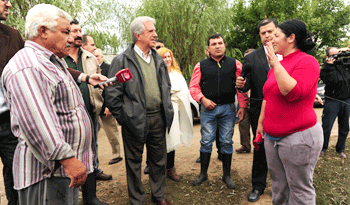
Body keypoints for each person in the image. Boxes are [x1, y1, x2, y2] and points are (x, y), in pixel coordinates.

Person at [1, 4, 93, 204]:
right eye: (65, 31)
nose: (71, 38)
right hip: (45, 174)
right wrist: (67, 159)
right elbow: (37, 122)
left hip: (58, 172)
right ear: (42, 31)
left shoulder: (50, 61)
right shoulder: (29, 66)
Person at [105, 16, 173, 205]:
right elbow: (112, 94)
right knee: (134, 163)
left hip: (158, 118)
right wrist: (125, 117)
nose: (155, 34)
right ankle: (136, 199)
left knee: (159, 161)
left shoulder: (158, 59)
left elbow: (165, 86)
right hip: (134, 120)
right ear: (138, 35)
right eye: (151, 31)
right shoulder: (122, 60)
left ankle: (159, 196)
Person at [257, 19, 322, 204]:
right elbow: (268, 96)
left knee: (299, 189)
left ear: (291, 38)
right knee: (278, 187)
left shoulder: (308, 62)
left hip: (298, 138)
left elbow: (291, 93)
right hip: (272, 138)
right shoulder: (279, 64)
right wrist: (262, 123)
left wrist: (275, 65)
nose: (271, 39)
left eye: (276, 35)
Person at [189, 33, 248, 189]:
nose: (217, 46)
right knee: (206, 141)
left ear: (224, 45)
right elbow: (193, 87)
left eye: (220, 43)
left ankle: (226, 175)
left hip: (229, 109)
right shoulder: (200, 65)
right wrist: (203, 99)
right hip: (208, 110)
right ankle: (203, 174)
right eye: (213, 44)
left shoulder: (235, 64)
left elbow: (241, 87)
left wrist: (242, 106)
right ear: (208, 48)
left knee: (226, 142)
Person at [64, 19, 110, 205]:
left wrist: (102, 103)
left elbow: (97, 83)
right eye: (74, 30)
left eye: (80, 30)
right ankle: (70, 199)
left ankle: (91, 198)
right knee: (70, 157)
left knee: (90, 153)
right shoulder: (58, 58)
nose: (78, 34)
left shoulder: (90, 57)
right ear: (65, 33)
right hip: (67, 117)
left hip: (90, 113)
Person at [236, 18, 279, 202]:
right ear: (260, 36)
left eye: (271, 31)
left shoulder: (289, 53)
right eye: (263, 33)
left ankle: (283, 186)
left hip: (286, 109)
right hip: (259, 110)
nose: (268, 35)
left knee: (285, 149)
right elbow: (245, 86)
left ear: (278, 30)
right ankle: (258, 186)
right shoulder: (251, 58)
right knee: (260, 147)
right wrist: (240, 85)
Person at [0, 0, 24, 204]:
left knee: (15, 173)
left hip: (8, 122)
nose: (8, 3)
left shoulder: (13, 35)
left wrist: (82, 77)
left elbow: (38, 63)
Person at [157, 47, 193, 182]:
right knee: (161, 140)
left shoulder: (176, 72)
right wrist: (171, 91)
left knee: (173, 138)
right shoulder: (157, 72)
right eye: (163, 57)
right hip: (162, 111)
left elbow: (183, 89)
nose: (167, 59)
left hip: (176, 109)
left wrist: (173, 91)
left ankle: (170, 168)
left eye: (168, 56)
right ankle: (158, 169)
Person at [320, 47, 350, 158]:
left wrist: (344, 51)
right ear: (327, 57)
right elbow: (332, 81)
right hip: (332, 101)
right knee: (327, 126)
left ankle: (340, 149)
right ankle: (323, 148)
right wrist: (330, 66)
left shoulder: (345, 64)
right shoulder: (325, 69)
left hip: (346, 100)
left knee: (344, 127)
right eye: (333, 55)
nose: (336, 57)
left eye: (338, 54)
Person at [94, 48, 123, 164]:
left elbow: (110, 88)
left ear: (101, 57)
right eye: (94, 56)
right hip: (94, 105)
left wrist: (108, 106)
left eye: (97, 56)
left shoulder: (108, 68)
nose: (96, 58)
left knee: (111, 132)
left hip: (105, 106)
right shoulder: (91, 69)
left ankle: (117, 154)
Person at [235, 48, 255, 154]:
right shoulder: (242, 72)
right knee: (243, 124)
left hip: (258, 103)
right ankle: (245, 146)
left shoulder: (261, 70)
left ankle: (259, 146)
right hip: (245, 103)